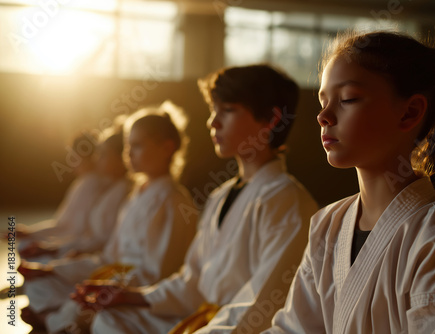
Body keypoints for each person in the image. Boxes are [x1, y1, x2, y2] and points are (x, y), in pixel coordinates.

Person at [263, 31, 435, 334]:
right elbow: (292, 330)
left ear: (410, 112)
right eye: (323, 100)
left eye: (348, 98)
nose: (323, 116)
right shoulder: (327, 225)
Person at [73, 64, 318, 334]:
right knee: (110, 319)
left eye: (228, 110)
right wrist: (133, 295)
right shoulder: (220, 196)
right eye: (214, 110)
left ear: (271, 119)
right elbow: (192, 281)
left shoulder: (286, 200)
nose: (212, 122)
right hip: (203, 319)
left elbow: (262, 306)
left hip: (236, 329)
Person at [19, 102, 199, 333]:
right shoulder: (136, 195)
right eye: (127, 146)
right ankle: (57, 321)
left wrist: (116, 292)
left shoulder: (173, 201)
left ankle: (54, 321)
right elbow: (108, 258)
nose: (129, 153)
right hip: (116, 282)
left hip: (141, 294)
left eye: (137, 146)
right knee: (52, 288)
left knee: (100, 318)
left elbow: (156, 275)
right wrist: (54, 269)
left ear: (167, 148)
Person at [17, 131, 111, 260]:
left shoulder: (91, 183)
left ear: (90, 157)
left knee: (26, 248)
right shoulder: (84, 182)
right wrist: (30, 232)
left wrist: (46, 245)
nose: (72, 163)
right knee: (26, 245)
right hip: (75, 245)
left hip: (78, 248)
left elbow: (72, 229)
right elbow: (62, 224)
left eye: (75, 157)